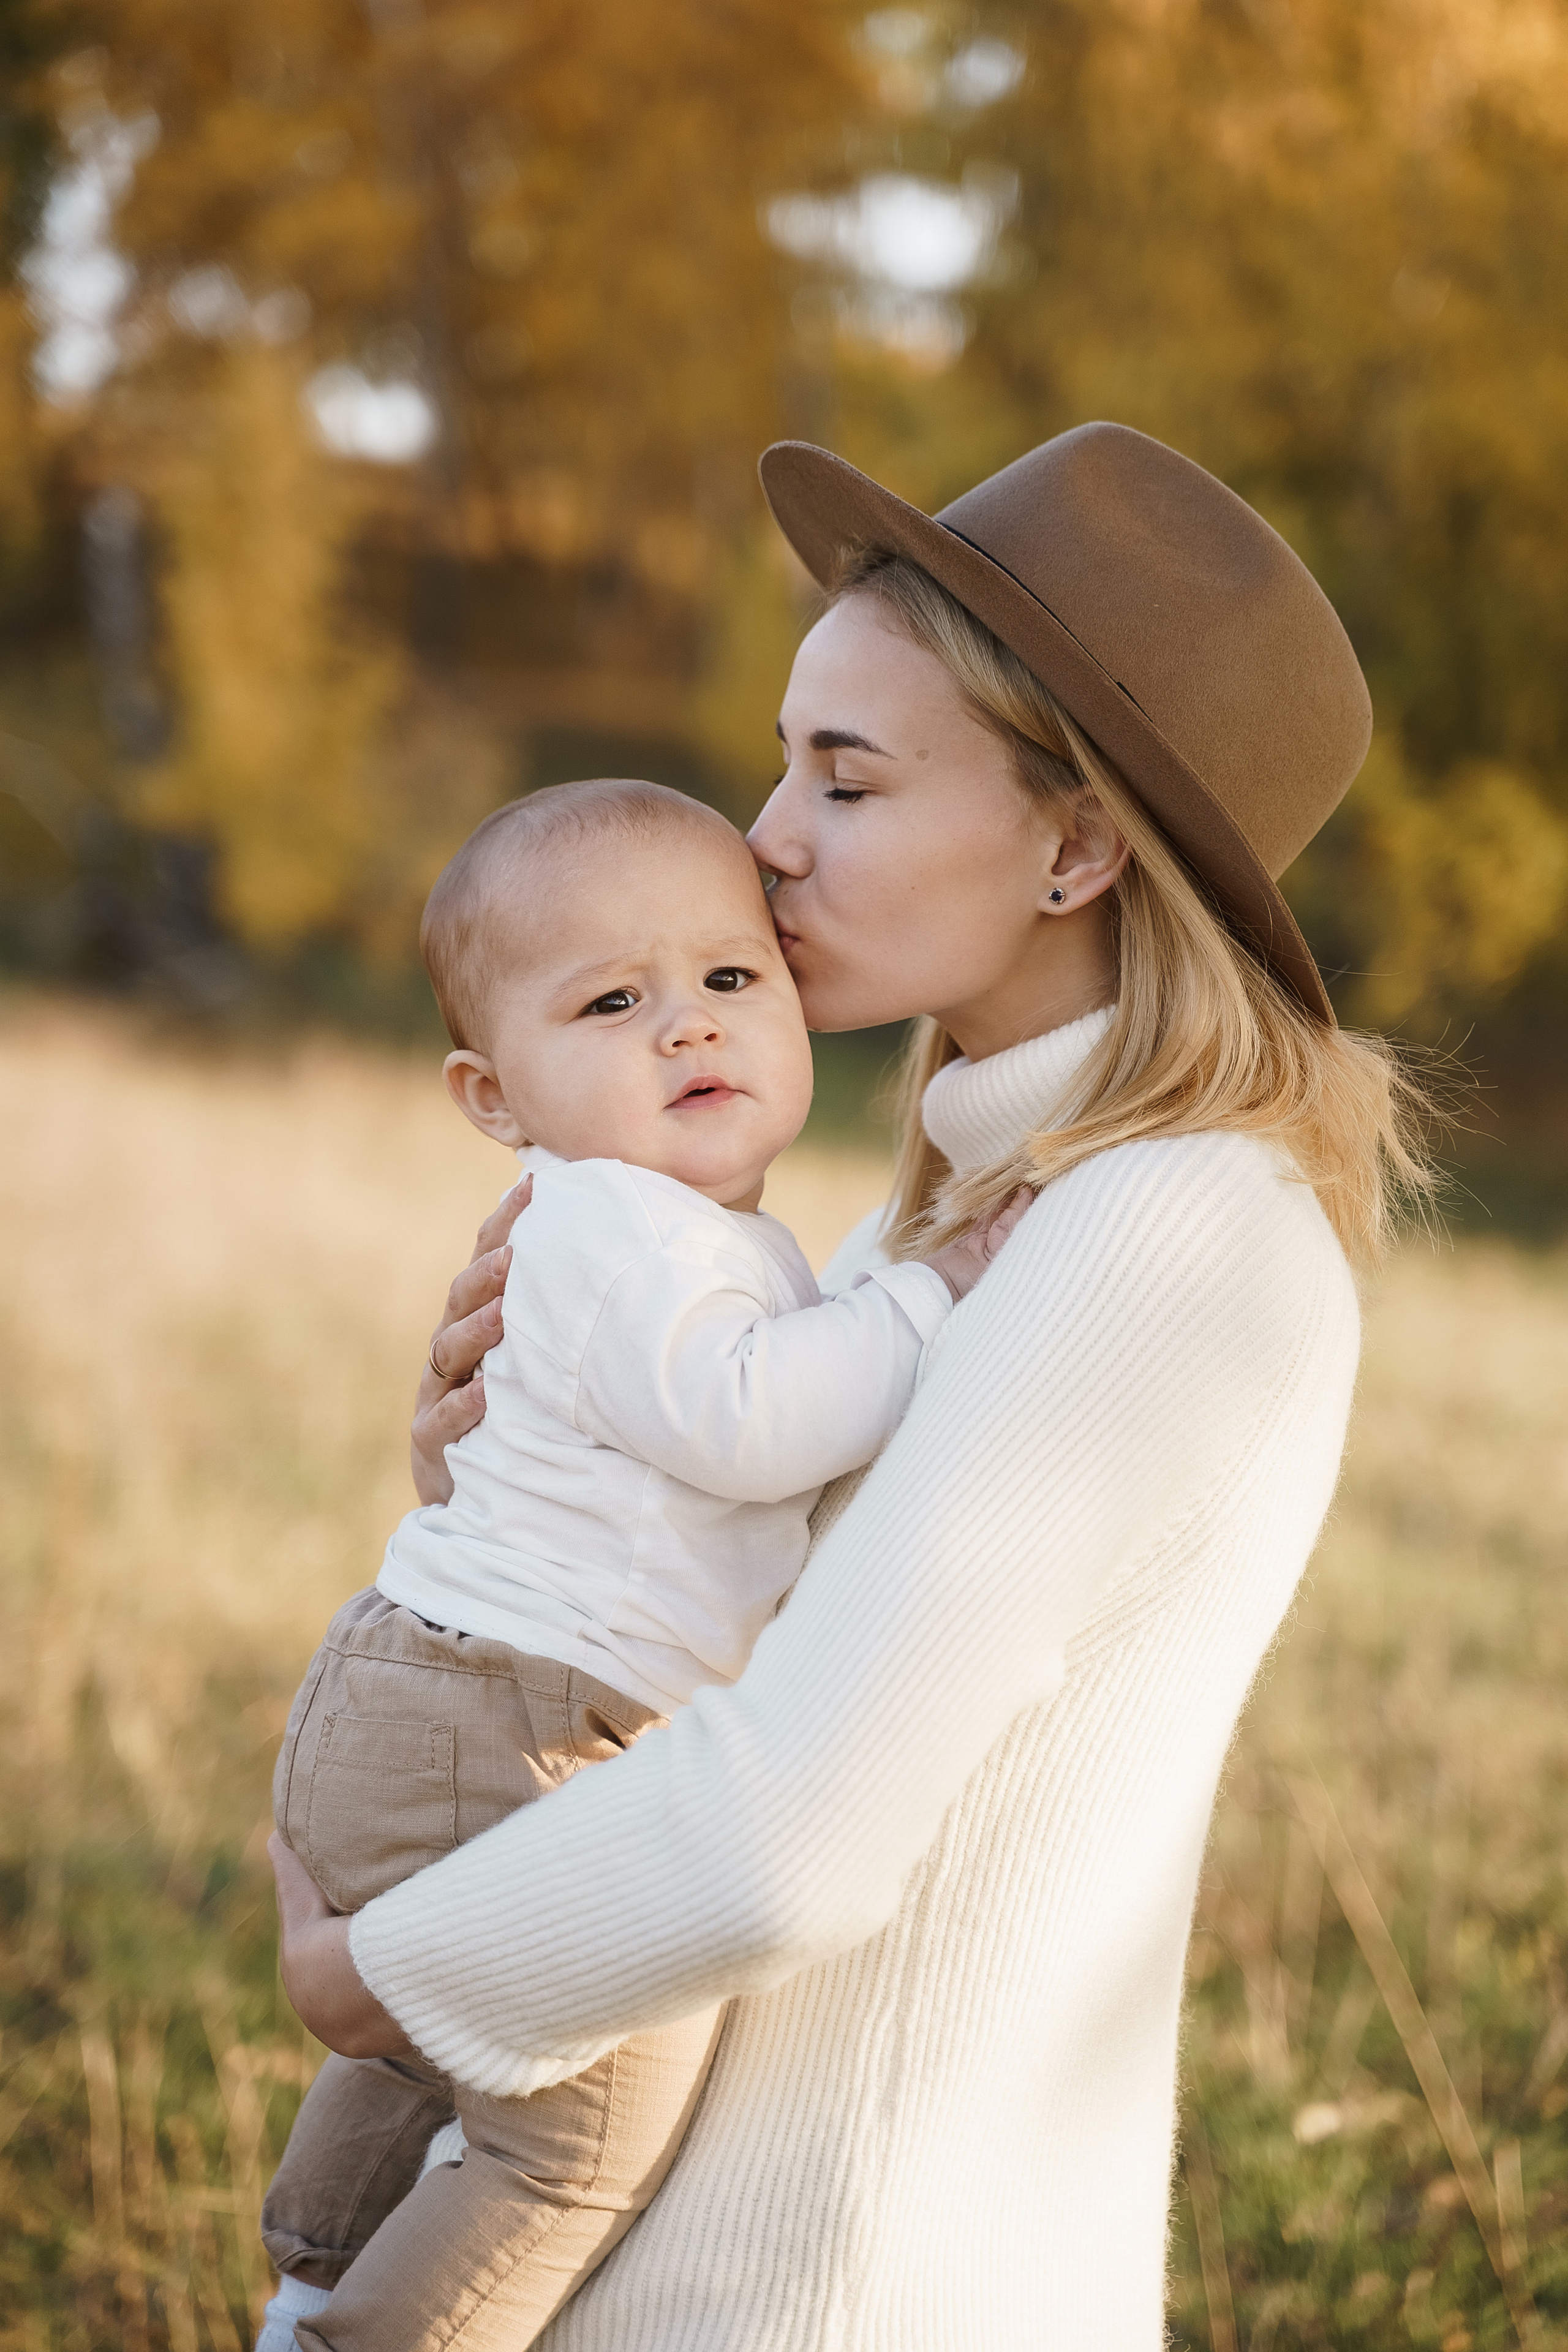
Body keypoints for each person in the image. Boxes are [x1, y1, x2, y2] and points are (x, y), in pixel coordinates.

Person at [271, 423, 1433, 2348]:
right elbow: (788, 1638)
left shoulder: (1163, 1231)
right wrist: (513, 1474)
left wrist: (377, 1978)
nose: (768, 836)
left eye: (849, 777)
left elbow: (779, 1839)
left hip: (820, 2282)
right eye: (785, 759)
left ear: (1076, 848)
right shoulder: (959, 1221)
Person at [257, 778, 1014, 2352]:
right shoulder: (624, 1225)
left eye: (731, 979)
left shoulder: (670, 1230)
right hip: (524, 1724)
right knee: (569, 2154)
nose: (688, 1026)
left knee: (426, 2045)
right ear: (491, 1095)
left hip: (448, 1690)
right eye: (613, 1001)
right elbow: (746, 1423)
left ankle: (312, 2268)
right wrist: (931, 1291)